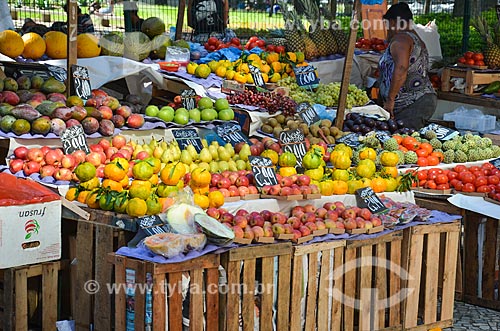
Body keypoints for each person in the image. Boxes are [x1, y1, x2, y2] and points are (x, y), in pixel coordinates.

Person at [378, 2, 436, 130]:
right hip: (420, 101)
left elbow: (401, 68)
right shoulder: (414, 37)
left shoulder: (401, 40)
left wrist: (390, 100)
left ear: (393, 22)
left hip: (411, 105)